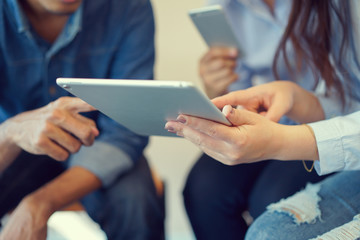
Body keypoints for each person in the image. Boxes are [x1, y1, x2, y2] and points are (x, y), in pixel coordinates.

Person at [166, 0, 360, 239]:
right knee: (203, 189)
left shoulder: (340, 10)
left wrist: (287, 134)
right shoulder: (226, 7)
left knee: (271, 200)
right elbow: (349, 95)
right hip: (287, 115)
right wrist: (218, 89)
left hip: (324, 129)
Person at [0, 0, 165, 239]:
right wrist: (11, 132)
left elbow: (125, 133)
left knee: (136, 201)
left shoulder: (129, 7)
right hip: (12, 147)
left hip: (102, 142)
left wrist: (40, 203)